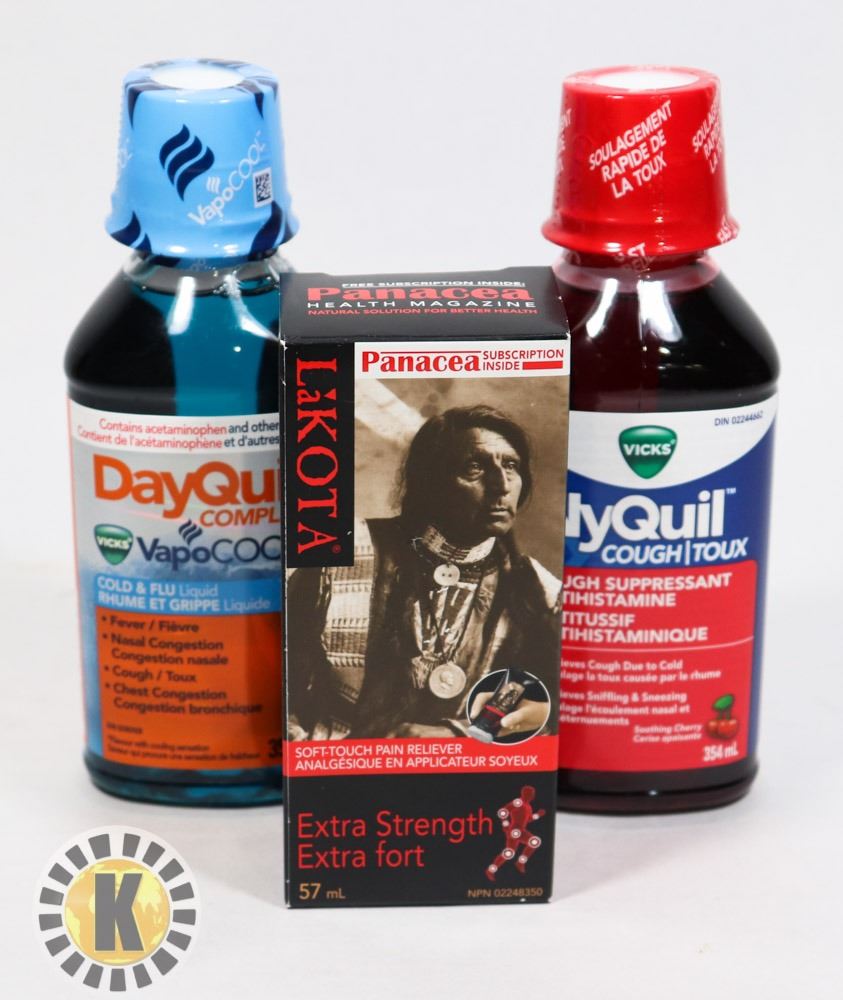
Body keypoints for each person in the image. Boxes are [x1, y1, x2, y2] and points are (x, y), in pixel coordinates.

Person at [287, 405, 561, 741]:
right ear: (430, 482)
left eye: (511, 466)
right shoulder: (344, 552)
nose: (501, 485)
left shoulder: (537, 590)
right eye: (474, 467)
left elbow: (543, 703)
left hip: (456, 764)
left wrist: (460, 734)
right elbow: (276, 680)